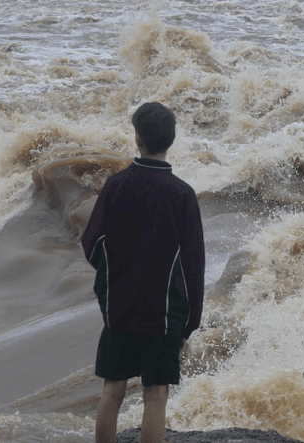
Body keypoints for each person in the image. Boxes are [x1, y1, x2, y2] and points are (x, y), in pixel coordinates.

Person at [81, 102, 205, 443]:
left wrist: (114, 281)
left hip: (120, 306)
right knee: (155, 395)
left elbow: (92, 242)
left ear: (137, 139)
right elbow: (194, 264)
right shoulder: (182, 194)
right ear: (172, 140)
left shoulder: (116, 185)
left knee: (112, 390)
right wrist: (190, 321)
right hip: (164, 314)